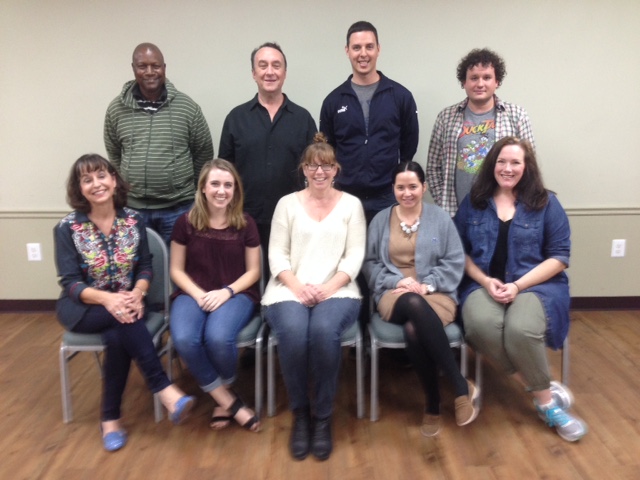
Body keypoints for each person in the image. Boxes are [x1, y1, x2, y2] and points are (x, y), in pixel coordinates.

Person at [53, 154, 195, 452]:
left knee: (119, 333)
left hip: (126, 305)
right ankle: (163, 389)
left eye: (101, 176)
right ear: (79, 189)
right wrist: (112, 300)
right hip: (81, 307)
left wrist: (138, 293)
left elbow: (145, 266)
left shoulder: (133, 220)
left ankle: (110, 419)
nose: (96, 184)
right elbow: (71, 283)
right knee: (123, 318)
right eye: (87, 180)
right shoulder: (67, 228)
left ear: (114, 179)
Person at [454, 137, 588, 442]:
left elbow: (559, 257)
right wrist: (486, 280)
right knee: (479, 324)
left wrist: (517, 285)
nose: (508, 168)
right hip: (483, 283)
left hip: (536, 287)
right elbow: (459, 252)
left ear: (527, 167)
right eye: (502, 161)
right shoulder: (474, 201)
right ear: (492, 165)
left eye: (515, 162)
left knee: (520, 329)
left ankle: (547, 407)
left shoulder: (546, 203)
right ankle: (544, 390)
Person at [262, 133, 366, 461]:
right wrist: (298, 287)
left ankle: (322, 417)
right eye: (312, 166)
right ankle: (301, 415)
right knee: (293, 333)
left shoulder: (352, 205)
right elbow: (277, 255)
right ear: (303, 169)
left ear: (336, 169)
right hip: (288, 289)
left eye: (326, 166)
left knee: (322, 332)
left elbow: (354, 257)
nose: (319, 172)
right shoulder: (286, 204)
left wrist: (328, 287)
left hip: (338, 290)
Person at [363, 161, 479, 437]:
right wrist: (397, 281)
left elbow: (453, 261)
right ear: (393, 189)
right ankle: (459, 385)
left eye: (413, 186)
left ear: (424, 187)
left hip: (436, 294)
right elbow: (369, 263)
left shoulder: (440, 218)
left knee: (414, 329)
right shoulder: (381, 220)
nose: (407, 193)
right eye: (401, 187)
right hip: (394, 293)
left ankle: (433, 405)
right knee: (412, 303)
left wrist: (427, 285)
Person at [169, 159, 261, 433]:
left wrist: (226, 292)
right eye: (215, 184)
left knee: (218, 337)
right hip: (193, 292)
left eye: (228, 185)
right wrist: (199, 294)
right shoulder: (185, 222)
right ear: (203, 188)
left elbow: (254, 271)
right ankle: (228, 400)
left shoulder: (246, 223)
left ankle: (223, 395)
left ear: (236, 190)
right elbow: (176, 269)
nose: (222, 191)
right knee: (185, 338)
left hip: (237, 293)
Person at [219, 42, 316, 277]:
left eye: (276, 65)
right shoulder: (236, 118)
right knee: (248, 282)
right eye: (262, 66)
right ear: (254, 73)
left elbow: (316, 171)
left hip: (293, 221)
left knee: (288, 282)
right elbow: (224, 172)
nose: (269, 71)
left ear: (284, 72)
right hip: (244, 220)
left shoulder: (303, 119)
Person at [104, 42, 214, 245]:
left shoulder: (187, 108)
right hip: (133, 208)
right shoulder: (116, 109)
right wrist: (130, 181)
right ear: (133, 69)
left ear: (164, 68)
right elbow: (114, 152)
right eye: (142, 66)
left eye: (155, 66)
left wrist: (185, 186)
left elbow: (203, 153)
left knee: (178, 268)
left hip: (179, 208)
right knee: (138, 268)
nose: (149, 72)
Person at [320, 20, 419, 224]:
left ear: (378, 49)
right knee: (348, 255)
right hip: (344, 196)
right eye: (356, 47)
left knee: (387, 255)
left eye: (369, 47)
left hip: (388, 196)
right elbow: (327, 149)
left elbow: (409, 144)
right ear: (347, 51)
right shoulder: (333, 101)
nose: (363, 54)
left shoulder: (400, 96)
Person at [427, 48, 535, 217]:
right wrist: (444, 202)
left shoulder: (516, 115)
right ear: (464, 82)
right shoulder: (446, 118)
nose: (480, 84)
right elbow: (433, 168)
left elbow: (529, 166)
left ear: (497, 81)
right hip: (457, 215)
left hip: (503, 215)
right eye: (474, 78)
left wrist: (515, 205)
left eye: (487, 77)